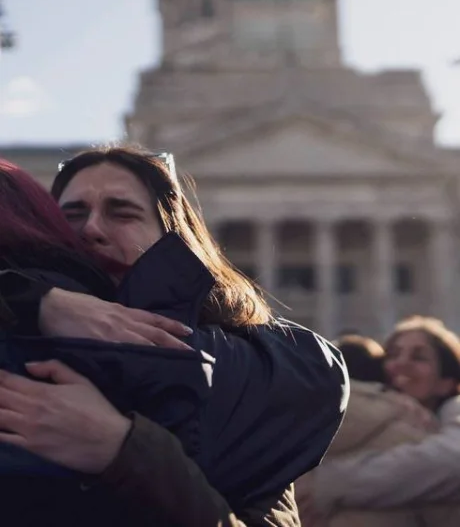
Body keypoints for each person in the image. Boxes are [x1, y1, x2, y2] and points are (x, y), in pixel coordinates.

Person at [0, 149, 348, 527]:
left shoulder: (255, 364)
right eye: (72, 216)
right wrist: (30, 297)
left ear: (173, 233)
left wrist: (126, 450)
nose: (92, 230)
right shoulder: (26, 327)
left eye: (122, 212)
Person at [298, 318, 460, 526]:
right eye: (392, 354)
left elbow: (451, 460)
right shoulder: (371, 419)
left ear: (446, 383)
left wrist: (331, 483)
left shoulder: (454, 407)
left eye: (419, 357)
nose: (400, 363)